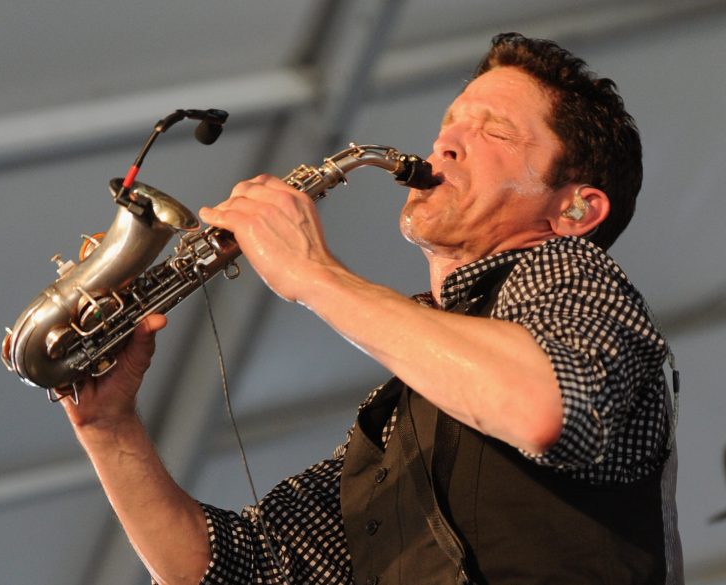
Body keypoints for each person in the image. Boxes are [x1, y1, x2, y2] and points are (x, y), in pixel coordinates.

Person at [60, 33, 683, 584]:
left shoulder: (574, 275)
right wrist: (110, 428)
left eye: (494, 132)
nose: (446, 143)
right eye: (451, 123)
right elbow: (235, 567)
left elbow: (546, 405)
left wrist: (314, 273)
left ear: (575, 210)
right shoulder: (401, 411)